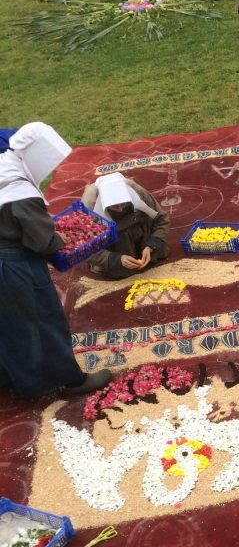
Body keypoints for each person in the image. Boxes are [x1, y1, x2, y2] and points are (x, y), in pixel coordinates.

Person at [0, 122, 112, 399]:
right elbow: (43, 242)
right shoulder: (18, 190)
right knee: (42, 321)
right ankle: (70, 380)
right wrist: (58, 237)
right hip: (14, 268)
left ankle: (12, 378)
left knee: (7, 325)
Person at [81, 172, 170, 279]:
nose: (120, 209)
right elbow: (84, 248)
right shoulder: (89, 206)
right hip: (113, 246)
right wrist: (116, 259)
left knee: (159, 251)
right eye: (115, 206)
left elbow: (162, 220)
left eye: (123, 204)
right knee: (120, 272)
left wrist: (151, 245)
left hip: (140, 234)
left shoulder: (138, 192)